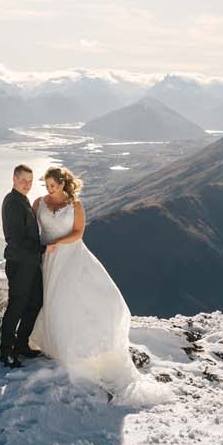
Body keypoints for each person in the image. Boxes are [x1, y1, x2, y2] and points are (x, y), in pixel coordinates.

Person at [26, 166, 172, 406]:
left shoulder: (76, 206)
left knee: (67, 299)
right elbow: (32, 228)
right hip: (46, 258)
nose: (49, 189)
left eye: (53, 185)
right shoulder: (39, 203)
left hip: (69, 257)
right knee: (48, 300)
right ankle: (50, 341)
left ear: (62, 184)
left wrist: (57, 243)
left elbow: (78, 233)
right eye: (47, 185)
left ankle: (74, 347)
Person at [0, 164, 44, 368]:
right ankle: (6, 351)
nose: (27, 184)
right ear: (14, 178)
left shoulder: (22, 200)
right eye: (23, 180)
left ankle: (21, 345)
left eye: (30, 181)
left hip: (31, 263)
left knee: (35, 301)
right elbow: (16, 239)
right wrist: (43, 249)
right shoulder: (12, 203)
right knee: (16, 306)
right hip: (19, 263)